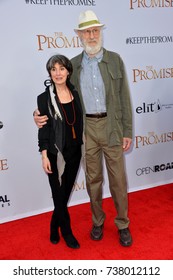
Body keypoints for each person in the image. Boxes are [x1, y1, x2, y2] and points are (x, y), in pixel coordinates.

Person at [34, 10, 133, 247]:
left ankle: (123, 224)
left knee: (118, 180)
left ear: (100, 32)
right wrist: (38, 115)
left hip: (112, 127)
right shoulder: (73, 65)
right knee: (93, 180)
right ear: (79, 35)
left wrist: (127, 130)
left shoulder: (116, 59)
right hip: (86, 130)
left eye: (95, 30)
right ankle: (97, 221)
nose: (91, 35)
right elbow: (56, 96)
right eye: (86, 31)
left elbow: (124, 97)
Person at [36, 54, 83, 249]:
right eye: (53, 69)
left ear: (68, 71)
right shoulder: (44, 98)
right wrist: (44, 154)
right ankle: (66, 232)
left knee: (63, 195)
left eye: (61, 68)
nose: (58, 73)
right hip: (55, 154)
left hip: (74, 152)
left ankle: (53, 224)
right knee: (58, 194)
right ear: (49, 73)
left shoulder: (75, 93)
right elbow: (44, 128)